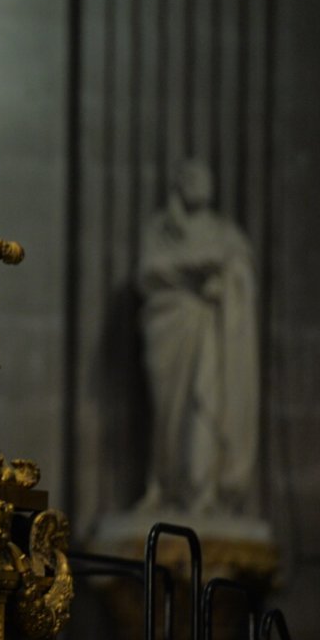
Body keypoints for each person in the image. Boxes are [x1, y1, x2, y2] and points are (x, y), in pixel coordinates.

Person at [136, 158, 259, 515]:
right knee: (166, 415)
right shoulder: (161, 230)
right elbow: (147, 272)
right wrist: (193, 267)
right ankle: (162, 485)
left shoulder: (225, 233)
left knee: (204, 406)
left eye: (205, 177)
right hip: (169, 331)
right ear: (179, 184)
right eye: (191, 177)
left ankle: (202, 490)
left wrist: (226, 285)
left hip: (210, 333)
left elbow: (240, 274)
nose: (200, 183)